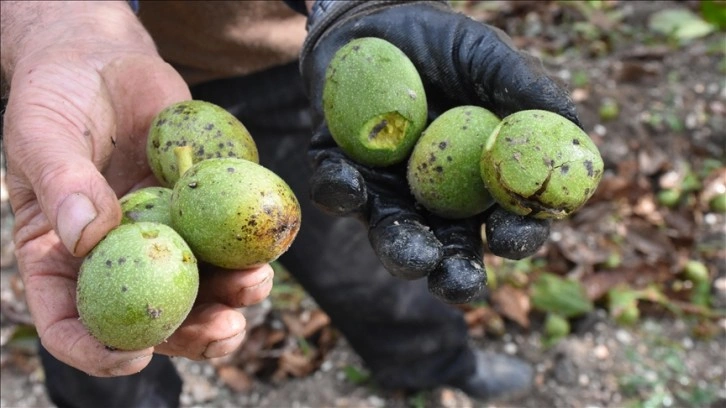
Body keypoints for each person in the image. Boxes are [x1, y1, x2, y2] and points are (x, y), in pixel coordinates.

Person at [1, 0, 582, 406]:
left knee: (361, 248)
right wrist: (60, 23)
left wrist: (348, 5)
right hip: (88, 90)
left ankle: (434, 365)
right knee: (91, 327)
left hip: (284, 59)